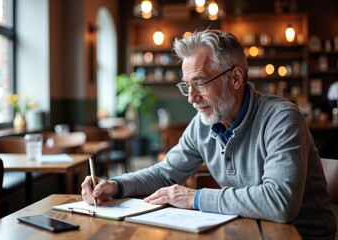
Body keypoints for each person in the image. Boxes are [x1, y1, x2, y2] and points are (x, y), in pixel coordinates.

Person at [81, 29, 336, 239]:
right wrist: (116, 185)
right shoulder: (202, 123)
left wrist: (195, 197)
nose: (191, 98)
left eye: (200, 84)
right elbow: (165, 172)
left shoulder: (281, 119)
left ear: (235, 78)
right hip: (248, 230)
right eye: (186, 86)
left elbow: (280, 203)